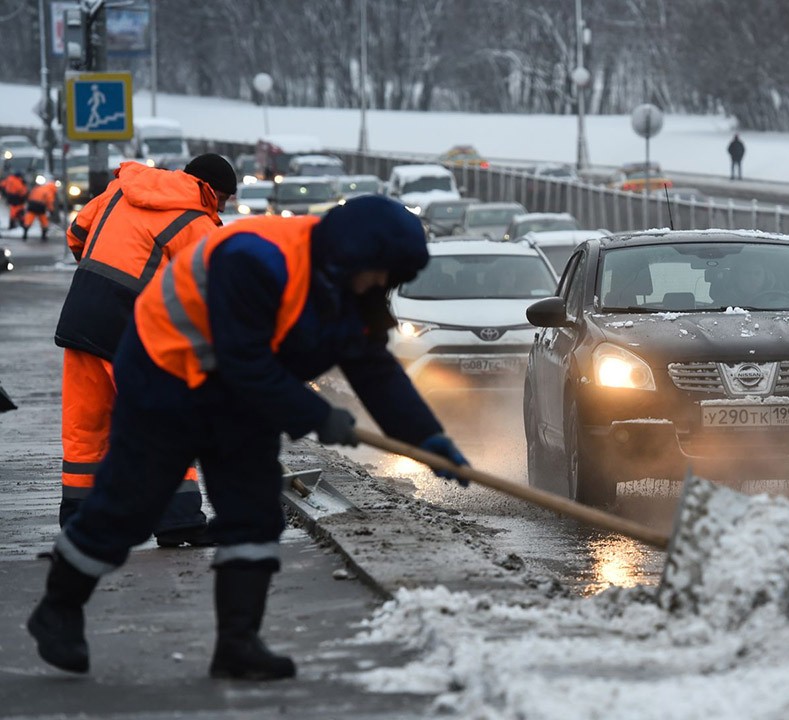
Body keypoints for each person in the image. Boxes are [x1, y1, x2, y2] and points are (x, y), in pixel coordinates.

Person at [27, 195, 470, 681]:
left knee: (253, 513)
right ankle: (58, 609)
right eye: (383, 273)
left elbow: (375, 371)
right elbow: (244, 361)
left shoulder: (346, 287)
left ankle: (237, 645)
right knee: (129, 505)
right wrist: (318, 415)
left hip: (240, 393)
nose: (383, 286)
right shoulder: (256, 257)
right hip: (167, 376)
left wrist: (430, 441)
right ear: (354, 255)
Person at [55, 153, 237, 547]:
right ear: (209, 189)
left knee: (85, 427)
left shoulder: (120, 188)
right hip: (133, 331)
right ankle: (179, 521)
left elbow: (76, 234)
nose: (222, 209)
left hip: (83, 315)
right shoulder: (196, 223)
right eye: (223, 200)